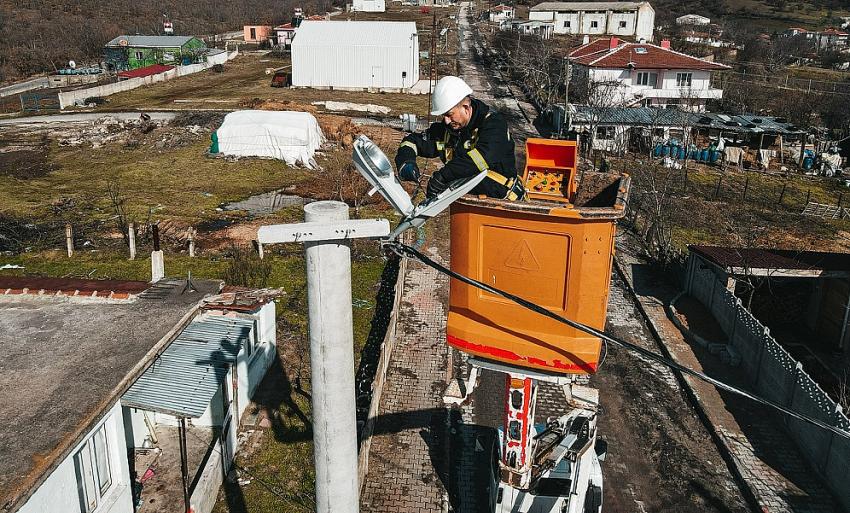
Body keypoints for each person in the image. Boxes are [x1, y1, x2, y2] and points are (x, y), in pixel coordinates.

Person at [394, 76, 524, 201]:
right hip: (468, 206)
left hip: (502, 204)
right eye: (443, 116)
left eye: (450, 115)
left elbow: (482, 158)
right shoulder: (449, 130)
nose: (446, 120)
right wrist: (406, 162)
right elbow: (412, 141)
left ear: (466, 108)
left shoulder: (494, 125)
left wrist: (443, 176)